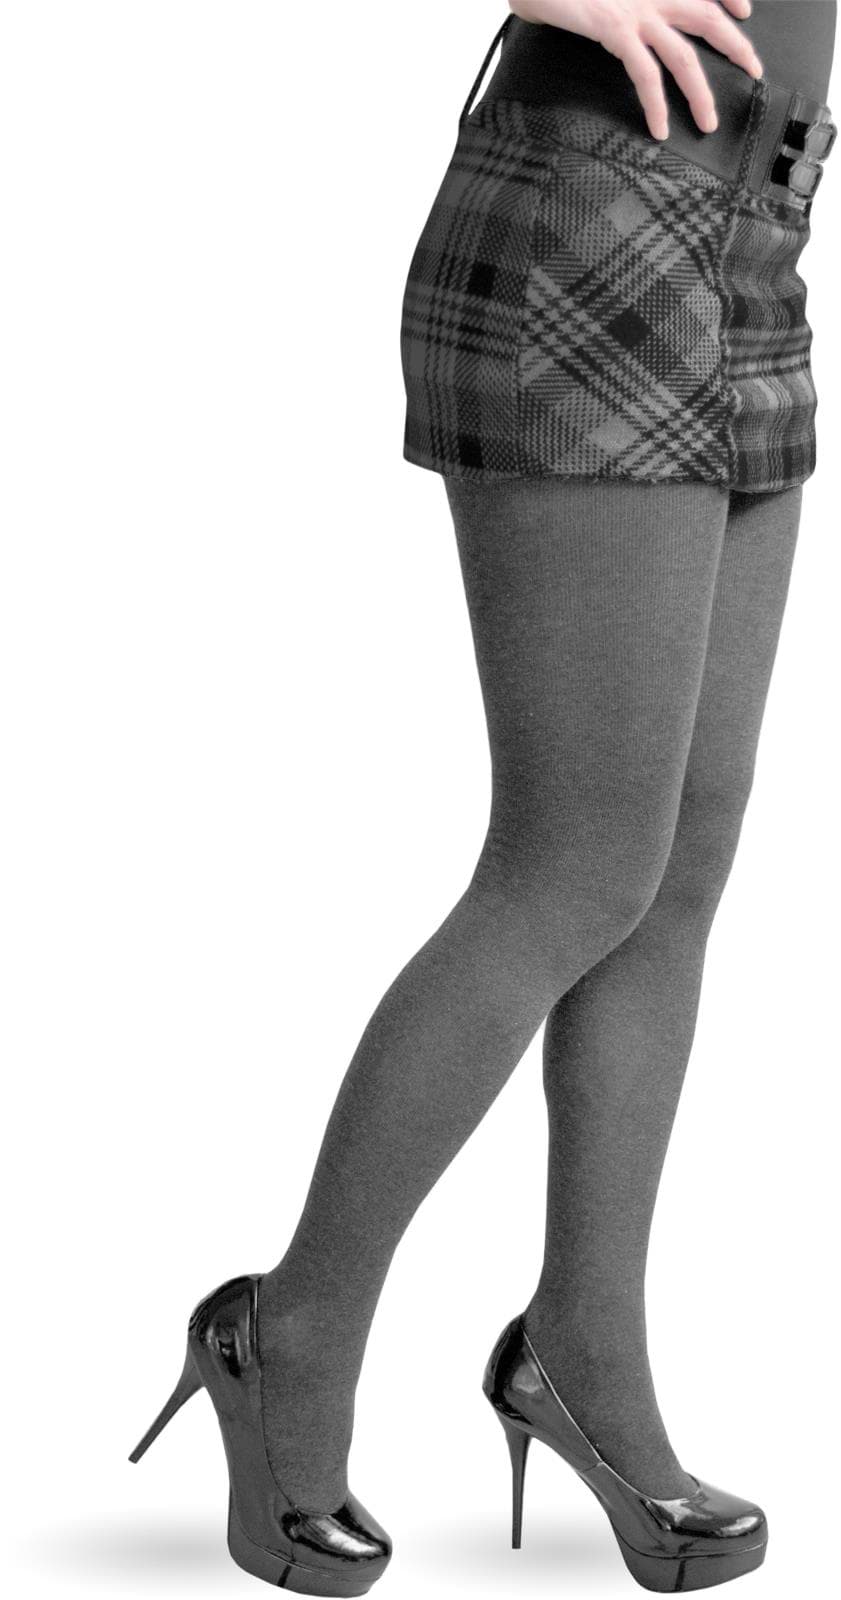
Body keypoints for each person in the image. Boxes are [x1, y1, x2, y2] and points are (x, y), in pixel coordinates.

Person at [128, 3, 837, 1593]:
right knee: (573, 868)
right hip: (593, 218)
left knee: (678, 867)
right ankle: (289, 1334)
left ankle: (583, 1353)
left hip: (755, 232)